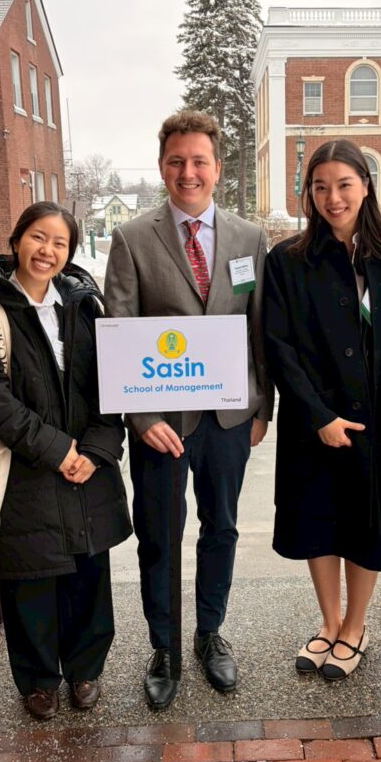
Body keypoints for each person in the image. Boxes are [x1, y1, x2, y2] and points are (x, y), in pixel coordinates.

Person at [104, 109, 273, 710]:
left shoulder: (250, 239)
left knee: (221, 528)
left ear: (218, 168)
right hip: (162, 423)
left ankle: (208, 633)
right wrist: (141, 418)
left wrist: (263, 406)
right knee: (160, 535)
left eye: (199, 160)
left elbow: (259, 328)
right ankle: (165, 646)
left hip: (229, 418)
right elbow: (119, 329)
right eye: (177, 161)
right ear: (162, 167)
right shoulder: (132, 239)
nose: (188, 172)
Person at [0, 202, 132, 720]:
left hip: (87, 471)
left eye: (59, 242)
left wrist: (96, 450)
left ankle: (85, 669)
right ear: (16, 241)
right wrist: (58, 450)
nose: (46, 250)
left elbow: (112, 386)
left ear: (69, 253)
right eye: (37, 237)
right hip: (24, 472)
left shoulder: (86, 309)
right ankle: (37, 681)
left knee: (87, 576)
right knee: (30, 580)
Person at [263, 139, 381, 681]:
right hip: (313, 421)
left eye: (344, 184)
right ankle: (329, 621)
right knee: (317, 520)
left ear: (366, 186)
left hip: (376, 421)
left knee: (367, 525)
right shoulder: (288, 260)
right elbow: (278, 345)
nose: (333, 198)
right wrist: (318, 415)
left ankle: (355, 626)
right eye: (320, 187)